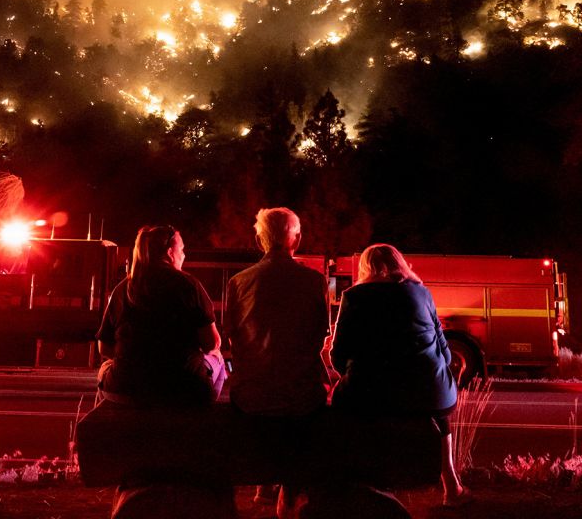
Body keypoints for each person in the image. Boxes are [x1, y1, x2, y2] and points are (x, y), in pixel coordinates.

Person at [328, 243, 471, 507]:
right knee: (438, 412)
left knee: (339, 408)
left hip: (370, 393)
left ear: (365, 268)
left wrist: (351, 374)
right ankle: (451, 485)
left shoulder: (353, 297)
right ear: (400, 265)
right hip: (428, 392)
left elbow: (338, 355)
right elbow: (445, 353)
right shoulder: (422, 293)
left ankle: (354, 483)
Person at [224, 208, 330, 518]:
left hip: (250, 398)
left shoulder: (239, 282)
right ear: (296, 239)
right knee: (307, 402)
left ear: (260, 240)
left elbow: (234, 342)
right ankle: (289, 490)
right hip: (300, 399)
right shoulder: (313, 281)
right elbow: (319, 338)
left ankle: (266, 484)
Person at [96, 225, 225, 406]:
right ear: (170, 252)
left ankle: (108, 425)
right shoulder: (189, 285)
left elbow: (104, 349)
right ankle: (204, 415)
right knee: (218, 357)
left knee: (105, 369)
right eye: (182, 249)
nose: (184, 255)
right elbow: (211, 343)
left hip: (125, 388)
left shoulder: (122, 290)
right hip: (183, 390)